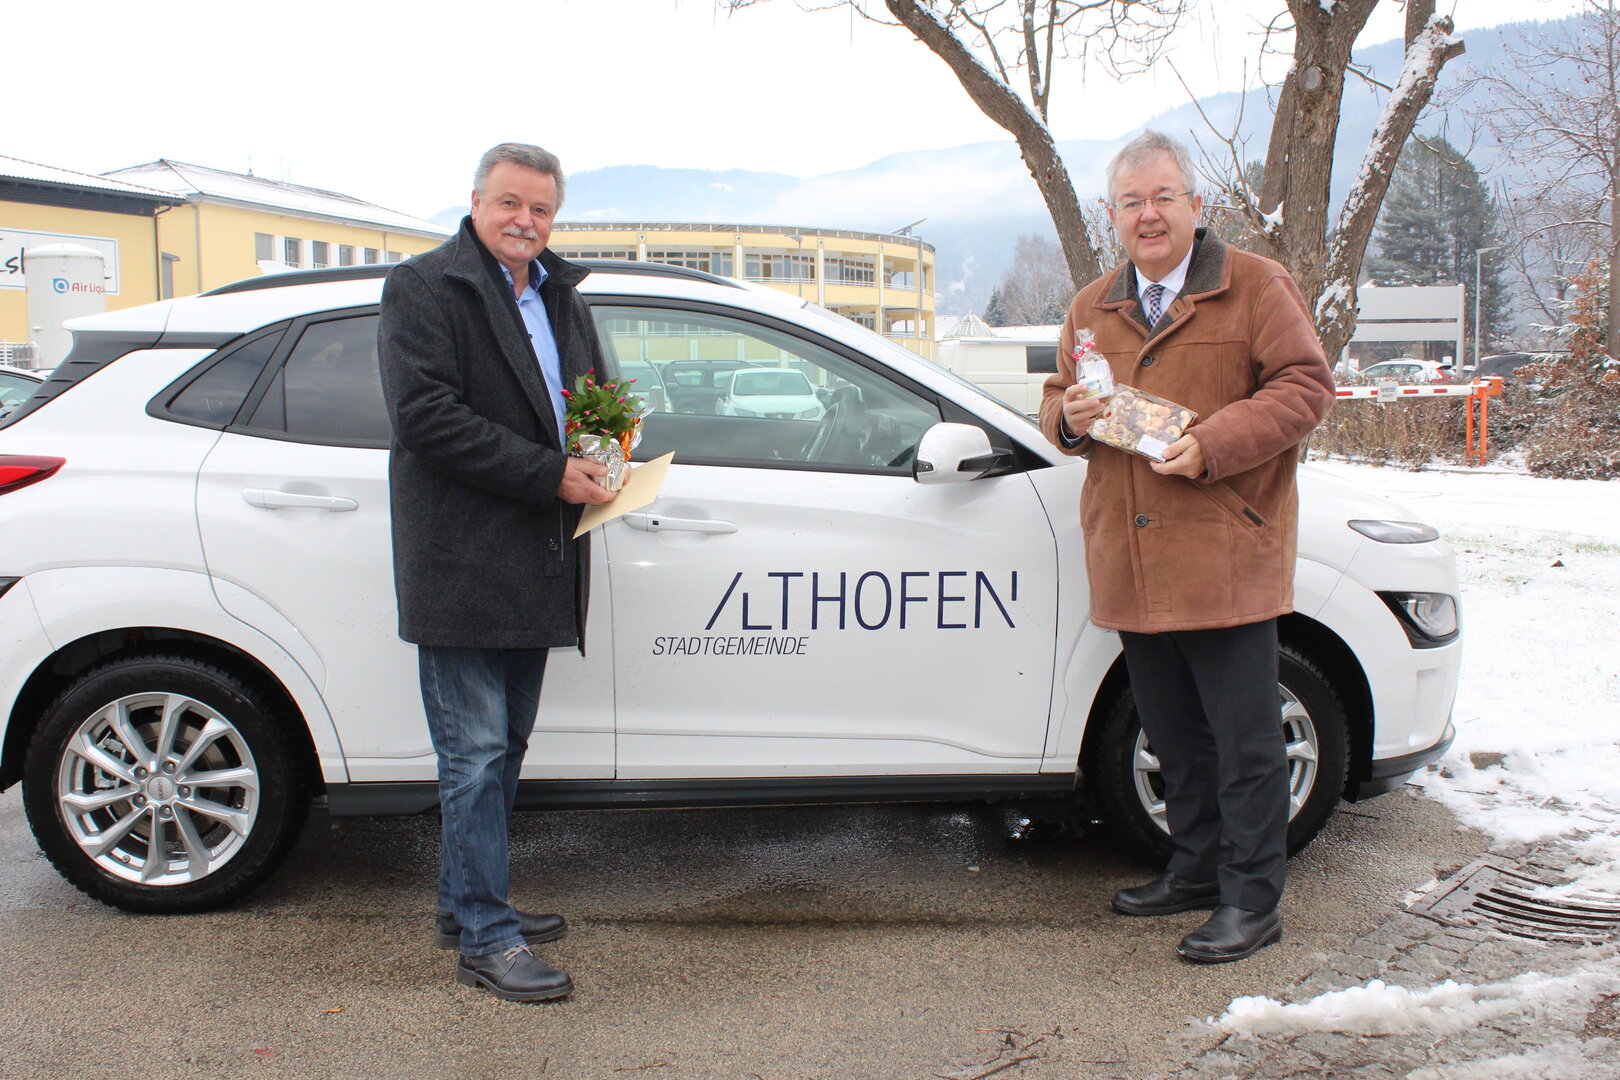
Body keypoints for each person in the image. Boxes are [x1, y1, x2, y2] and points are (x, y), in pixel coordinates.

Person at [1040, 130, 1334, 963]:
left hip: (1224, 553)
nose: (1149, 214)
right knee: (1172, 734)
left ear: (1197, 206)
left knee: (1244, 744)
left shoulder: (1255, 287)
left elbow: (1306, 385)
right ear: (1113, 217)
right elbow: (1060, 395)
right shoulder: (1092, 303)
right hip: (1131, 558)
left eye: (1164, 196)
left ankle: (1253, 902)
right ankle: (1198, 868)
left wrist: (1216, 443)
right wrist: (1065, 418)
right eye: (1132, 202)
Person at [378, 142, 616, 1001]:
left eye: (542, 210)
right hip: (463, 557)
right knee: (473, 754)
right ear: (476, 201)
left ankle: (461, 903)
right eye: (510, 203)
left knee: (502, 748)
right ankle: (486, 935)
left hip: (539, 555)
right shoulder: (424, 288)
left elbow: (591, 395)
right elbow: (426, 417)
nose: (526, 222)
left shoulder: (559, 291)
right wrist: (548, 472)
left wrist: (604, 455)